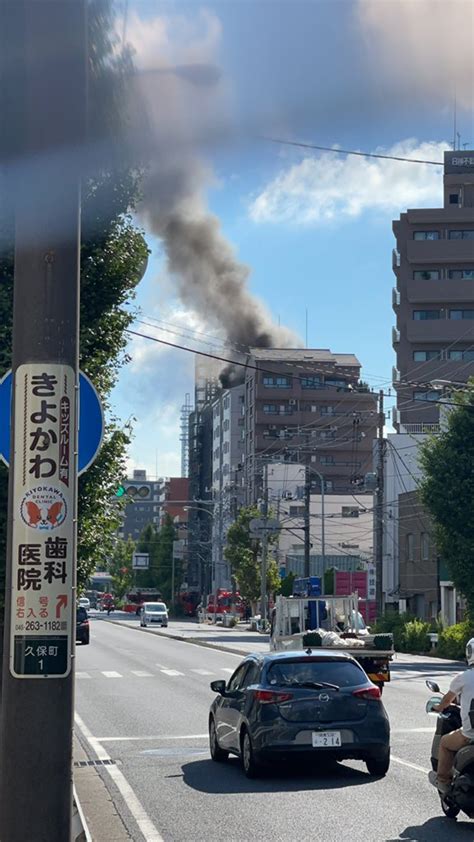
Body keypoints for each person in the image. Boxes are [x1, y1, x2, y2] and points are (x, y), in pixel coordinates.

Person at [432, 637, 474, 794]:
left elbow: (447, 699)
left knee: (444, 743)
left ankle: (443, 781)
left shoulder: (463, 677)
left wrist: (438, 707)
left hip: (469, 735)